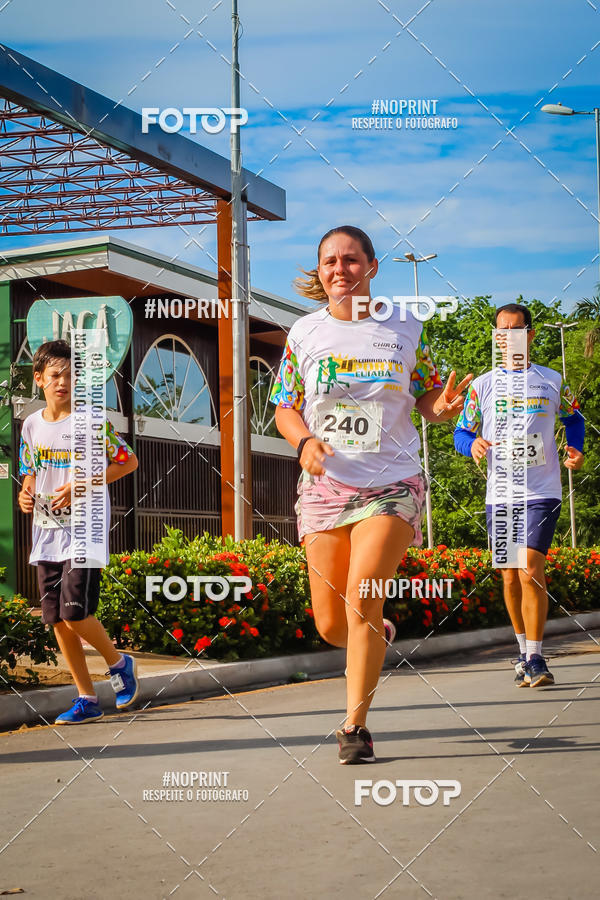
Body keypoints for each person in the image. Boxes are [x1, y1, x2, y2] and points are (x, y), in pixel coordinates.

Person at [270, 225, 471, 763]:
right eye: (330, 262)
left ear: (372, 267)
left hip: (393, 482)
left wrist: (443, 408)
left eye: (352, 260)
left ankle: (353, 727)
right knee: (331, 623)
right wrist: (305, 440)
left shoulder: (404, 327)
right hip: (325, 485)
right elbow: (284, 406)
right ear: (320, 272)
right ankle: (373, 633)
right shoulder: (304, 333)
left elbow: (426, 396)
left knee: (363, 595)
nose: (341, 270)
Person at [453, 303, 585, 687]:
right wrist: (473, 444)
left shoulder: (553, 380)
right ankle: (522, 648)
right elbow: (462, 431)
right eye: (501, 331)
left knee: (530, 567)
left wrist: (574, 449)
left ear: (529, 335)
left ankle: (537, 657)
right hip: (501, 493)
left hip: (542, 490)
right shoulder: (482, 386)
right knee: (510, 577)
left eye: (515, 329)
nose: (507, 336)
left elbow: (573, 419)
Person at [18, 339, 140, 724]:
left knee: (74, 612)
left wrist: (83, 484)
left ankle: (119, 664)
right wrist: (26, 491)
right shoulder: (31, 425)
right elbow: (31, 471)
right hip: (46, 531)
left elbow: (128, 462)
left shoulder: (90, 422)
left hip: (85, 529)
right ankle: (87, 698)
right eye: (55, 375)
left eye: (71, 376)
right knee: (55, 619)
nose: (63, 382)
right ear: (39, 379)